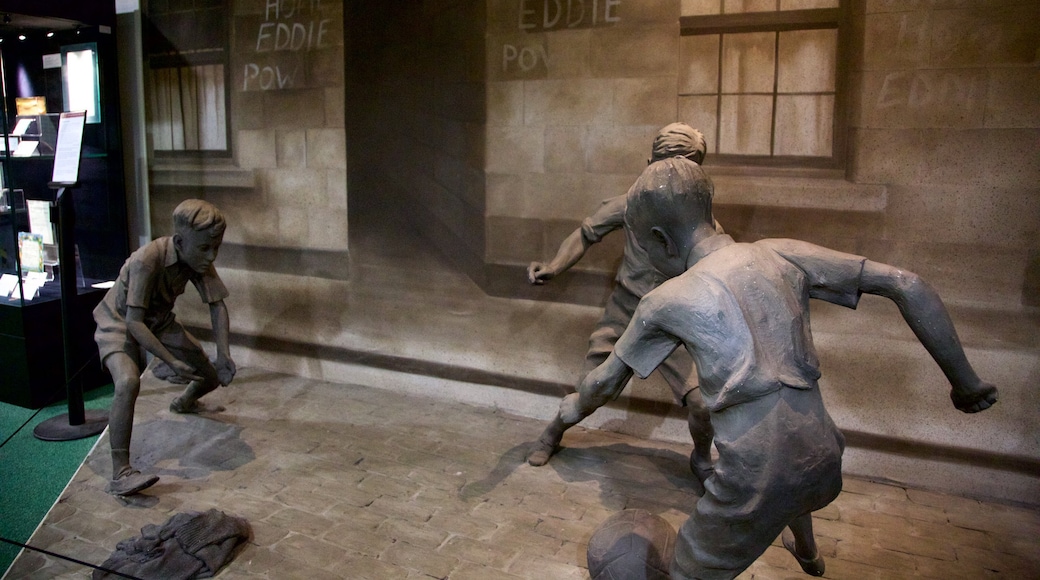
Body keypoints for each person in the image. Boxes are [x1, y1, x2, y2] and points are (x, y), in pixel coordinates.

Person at [561, 157, 997, 579]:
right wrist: (966, 385)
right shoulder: (781, 253)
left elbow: (603, 384)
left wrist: (573, 405)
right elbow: (908, 284)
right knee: (789, 472)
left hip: (757, 478)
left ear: (661, 240)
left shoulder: (664, 301)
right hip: (826, 457)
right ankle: (805, 549)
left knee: (685, 570)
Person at [526, 123, 717, 483]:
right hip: (626, 314)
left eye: (687, 167)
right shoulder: (631, 203)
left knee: (702, 403)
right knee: (591, 390)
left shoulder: (702, 222)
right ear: (649, 164)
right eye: (666, 165)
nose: (674, 175)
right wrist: (553, 267)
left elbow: (721, 265)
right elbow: (586, 233)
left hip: (673, 320)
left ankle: (703, 460)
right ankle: (551, 433)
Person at [93, 199, 237, 496]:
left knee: (210, 376)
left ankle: (184, 402)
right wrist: (171, 361)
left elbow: (217, 305)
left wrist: (223, 354)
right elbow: (134, 323)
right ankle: (120, 472)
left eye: (216, 248)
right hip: (120, 323)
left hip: (158, 322)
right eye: (205, 248)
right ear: (181, 242)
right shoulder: (148, 259)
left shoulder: (197, 256)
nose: (211, 256)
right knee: (128, 382)